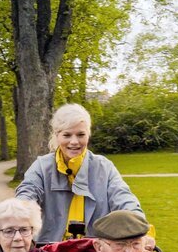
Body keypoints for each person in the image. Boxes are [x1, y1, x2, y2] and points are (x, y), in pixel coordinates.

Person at [15, 103, 146, 244]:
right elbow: (27, 193)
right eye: (67, 135)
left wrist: (140, 230)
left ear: (88, 135)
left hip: (96, 251)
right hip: (49, 250)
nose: (74, 142)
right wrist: (21, 214)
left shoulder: (103, 167)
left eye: (81, 135)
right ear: (57, 135)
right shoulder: (42, 166)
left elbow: (124, 199)